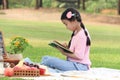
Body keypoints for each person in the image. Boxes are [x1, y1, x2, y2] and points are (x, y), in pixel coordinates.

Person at [41, 8, 91, 72]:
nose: (66, 27)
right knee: (46, 58)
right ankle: (43, 66)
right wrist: (66, 48)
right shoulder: (76, 32)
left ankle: (39, 67)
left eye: (66, 24)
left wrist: (64, 52)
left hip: (79, 66)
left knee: (49, 60)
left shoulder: (81, 35)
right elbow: (75, 51)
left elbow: (79, 56)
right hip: (73, 64)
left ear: (74, 21)